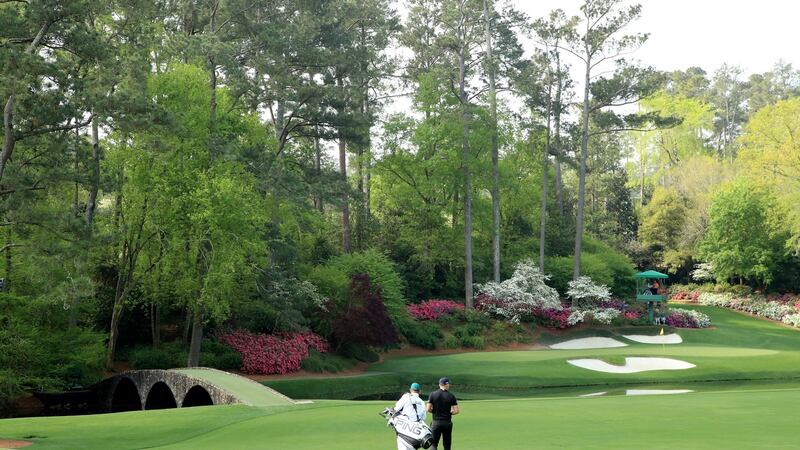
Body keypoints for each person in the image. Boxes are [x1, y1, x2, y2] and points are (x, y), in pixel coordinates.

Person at [427, 377, 459, 450]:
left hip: (436, 422)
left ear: (439, 385)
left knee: (433, 445)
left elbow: (428, 408)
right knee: (447, 445)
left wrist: (434, 412)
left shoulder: (433, 394)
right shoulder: (451, 396)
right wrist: (450, 413)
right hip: (447, 423)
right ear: (447, 385)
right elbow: (456, 411)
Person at [394, 383, 427, 450]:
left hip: (406, 427)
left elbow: (396, 408)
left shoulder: (406, 396)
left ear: (410, 390)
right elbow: (424, 418)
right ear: (420, 391)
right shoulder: (422, 402)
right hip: (416, 431)